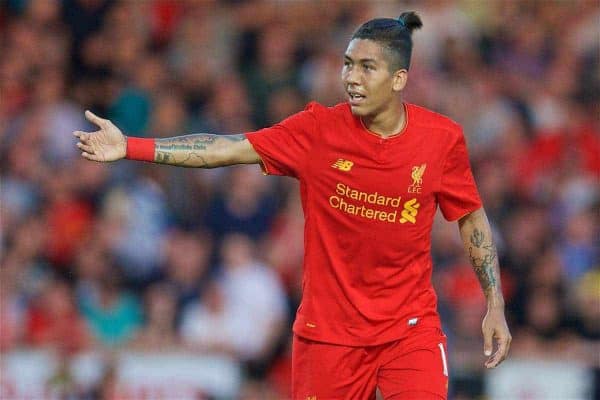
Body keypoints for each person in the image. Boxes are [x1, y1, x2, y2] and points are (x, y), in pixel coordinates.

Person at [74, 11, 511, 400]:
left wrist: (494, 302)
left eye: (366, 67)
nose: (351, 78)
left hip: (409, 331)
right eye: (347, 64)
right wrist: (131, 145)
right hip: (329, 338)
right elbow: (225, 148)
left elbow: (469, 215)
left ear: (398, 79)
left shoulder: (440, 139)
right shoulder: (317, 130)